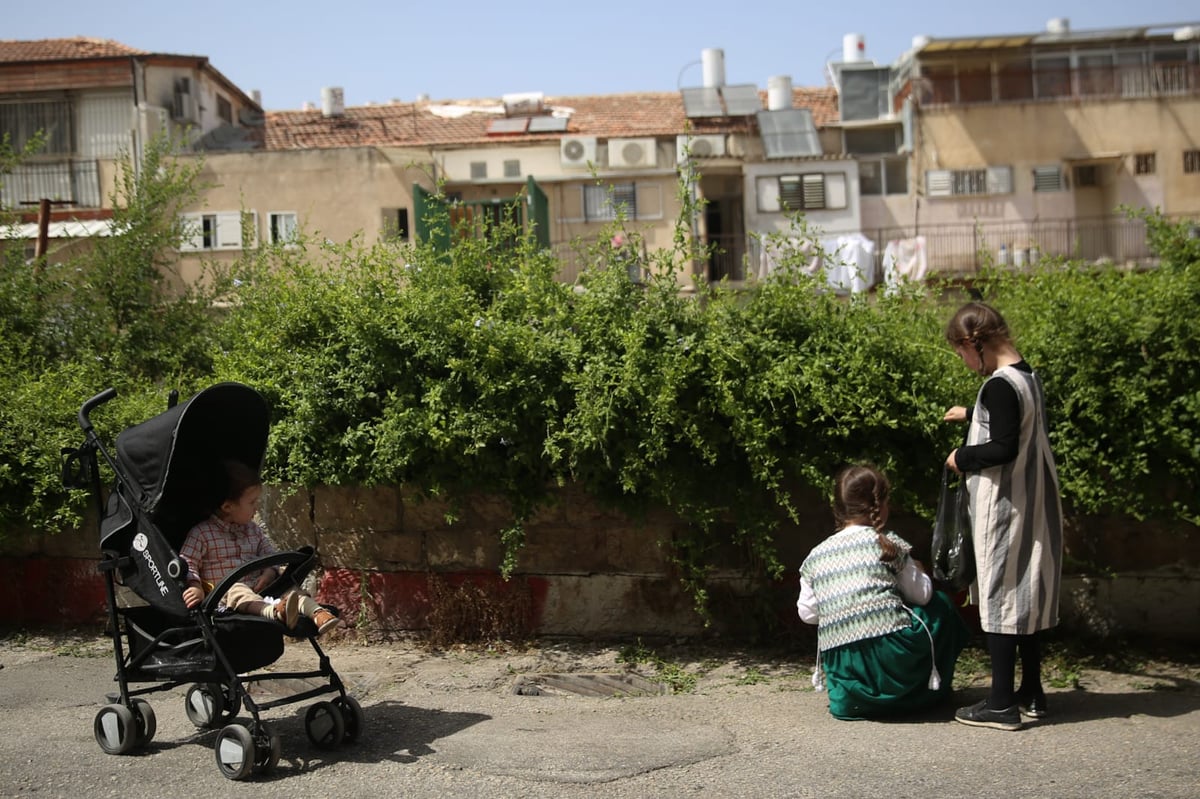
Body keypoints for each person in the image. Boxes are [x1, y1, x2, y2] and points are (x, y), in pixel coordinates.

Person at [943, 301, 1063, 731]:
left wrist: (962, 455)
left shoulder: (997, 385)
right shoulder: (1026, 375)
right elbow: (1017, 422)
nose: (964, 362)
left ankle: (998, 703)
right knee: (1026, 594)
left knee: (999, 597)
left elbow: (1003, 447)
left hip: (1006, 506)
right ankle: (1031, 692)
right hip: (1035, 502)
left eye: (961, 353)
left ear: (973, 343)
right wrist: (971, 414)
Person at [798, 464, 969, 720]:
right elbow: (922, 595)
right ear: (881, 505)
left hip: (846, 664)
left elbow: (808, 614)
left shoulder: (815, 557)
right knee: (940, 605)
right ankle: (926, 690)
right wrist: (919, 571)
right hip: (892, 658)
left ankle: (859, 701)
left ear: (838, 506)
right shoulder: (888, 545)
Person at [179, 460, 340, 636]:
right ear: (227, 506)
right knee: (238, 590)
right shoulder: (202, 534)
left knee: (290, 588)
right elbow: (187, 562)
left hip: (262, 589)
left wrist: (269, 573)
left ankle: (318, 613)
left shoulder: (253, 530)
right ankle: (275, 613)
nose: (257, 507)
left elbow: (269, 554)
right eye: (252, 502)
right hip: (226, 597)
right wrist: (195, 586)